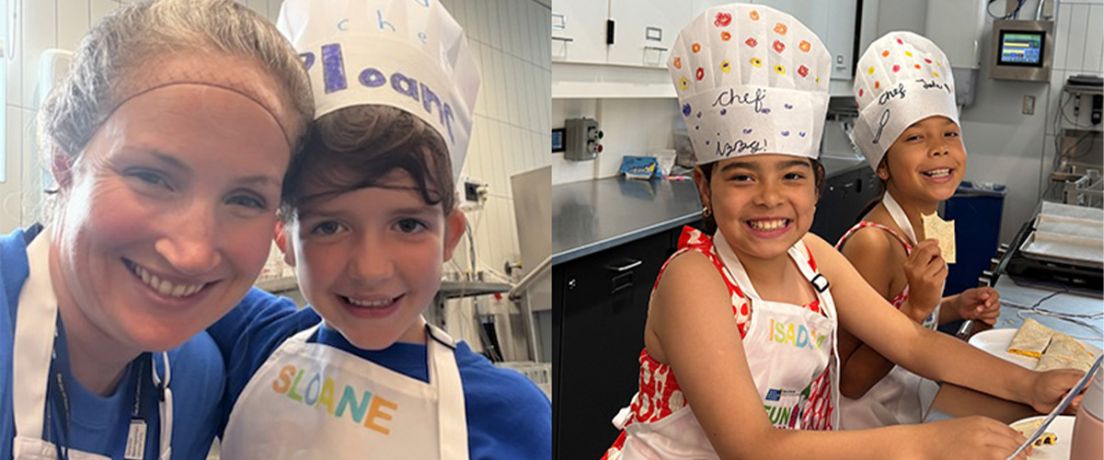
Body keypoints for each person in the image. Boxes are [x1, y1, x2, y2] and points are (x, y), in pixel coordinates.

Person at [602, 4, 1082, 459]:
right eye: (743, 176)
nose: (770, 197)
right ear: (705, 188)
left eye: (791, 175)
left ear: (816, 189)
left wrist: (1031, 386)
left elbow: (912, 342)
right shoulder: (695, 278)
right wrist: (926, 445)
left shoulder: (811, 257)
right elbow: (750, 447)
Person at [206, 1, 551, 458]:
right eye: (329, 226)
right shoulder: (253, 338)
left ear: (450, 235)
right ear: (284, 236)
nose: (370, 269)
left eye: (407, 224)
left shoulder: (513, 416)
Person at [0, 0, 313, 458]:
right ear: (64, 164)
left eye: (245, 200)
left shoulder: (197, 378)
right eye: (151, 177)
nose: (192, 253)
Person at [834, 31, 1001, 429]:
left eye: (950, 133)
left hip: (908, 415)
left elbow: (899, 319)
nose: (939, 148)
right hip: (865, 435)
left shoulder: (932, 223)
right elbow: (849, 381)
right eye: (915, 138)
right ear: (883, 164)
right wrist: (919, 308)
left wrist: (954, 306)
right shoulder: (873, 243)